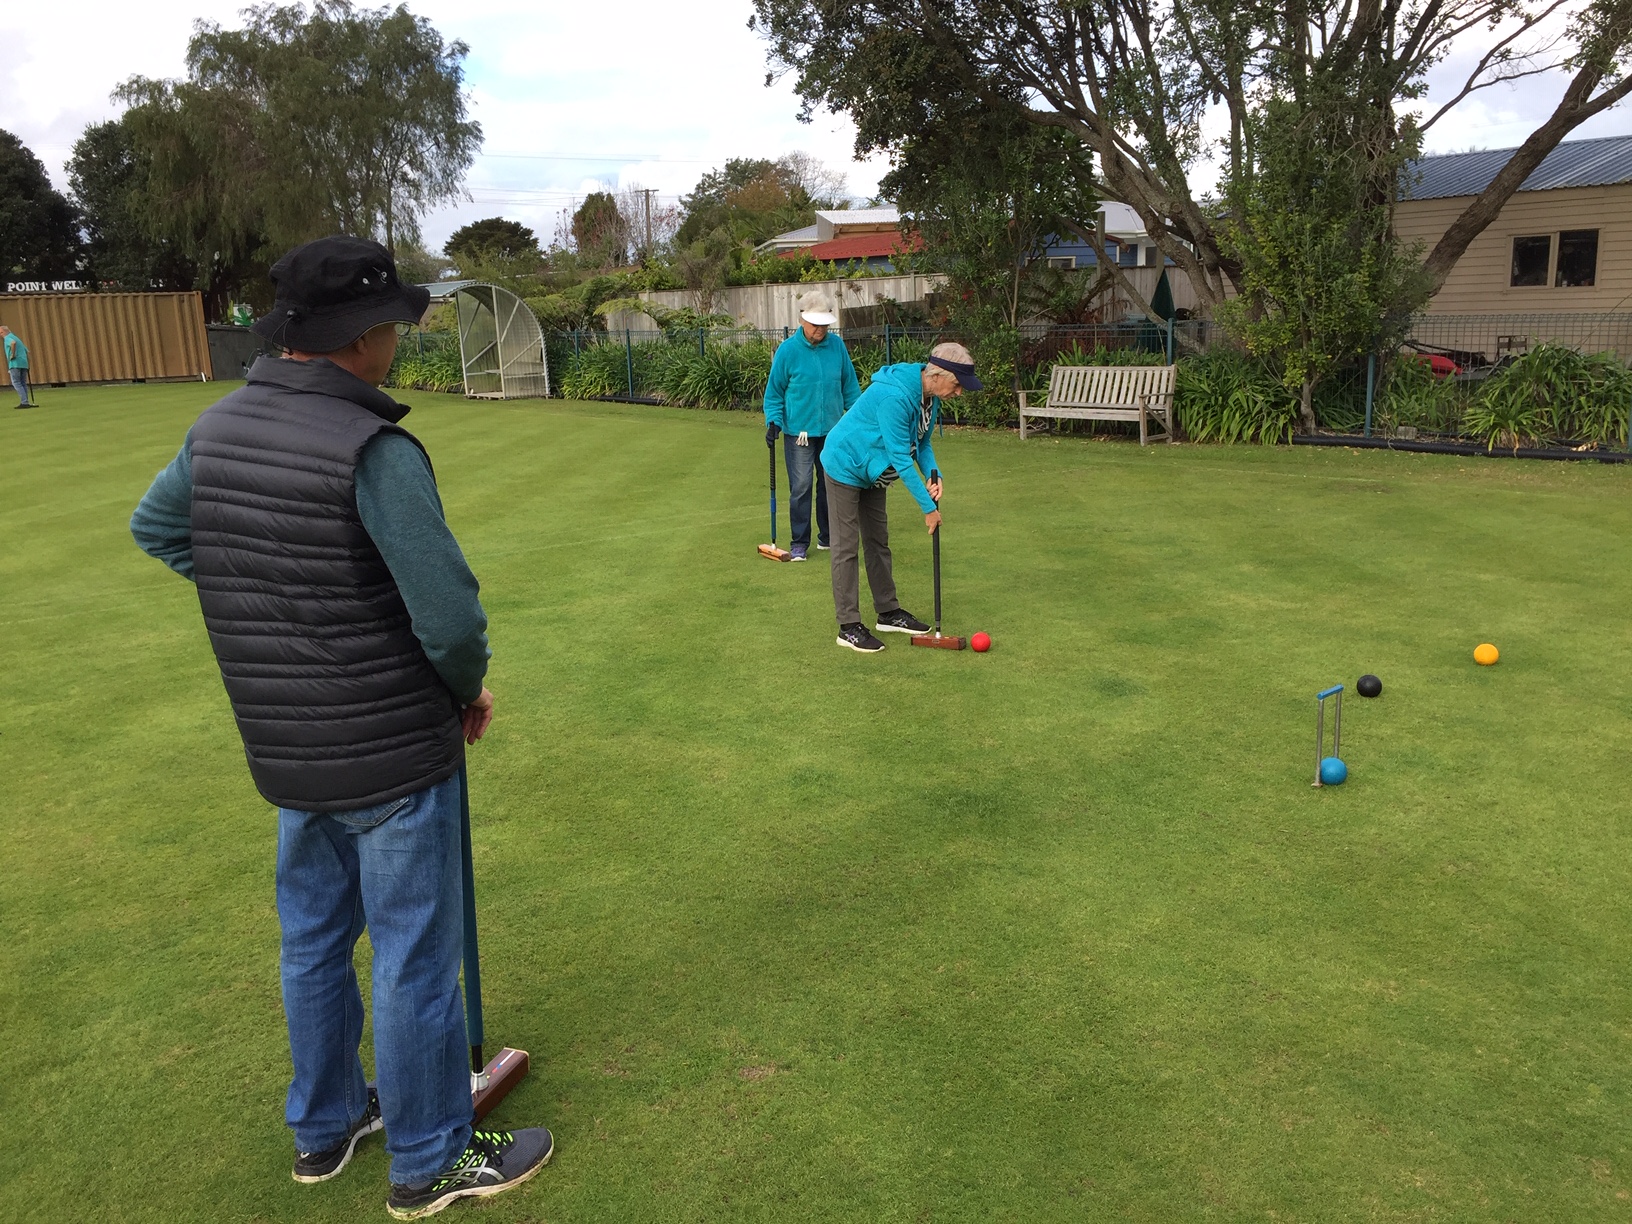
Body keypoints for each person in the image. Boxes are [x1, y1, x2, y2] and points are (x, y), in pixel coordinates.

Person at [128, 236, 552, 1220]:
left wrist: (273, 607)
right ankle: (431, 1157)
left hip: (288, 750)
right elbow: (448, 618)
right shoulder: (375, 448)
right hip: (394, 749)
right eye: (392, 325)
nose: (398, 340)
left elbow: (162, 528)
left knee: (313, 940)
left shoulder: (218, 428)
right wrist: (467, 690)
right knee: (411, 955)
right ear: (361, 336)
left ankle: (323, 1130)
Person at [819, 342, 984, 652]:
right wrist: (927, 507)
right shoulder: (895, 397)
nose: (959, 393)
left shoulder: (929, 398)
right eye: (958, 384)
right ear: (938, 374)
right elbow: (900, 456)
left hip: (874, 469)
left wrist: (935, 476)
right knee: (846, 546)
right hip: (845, 463)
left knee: (878, 540)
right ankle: (848, 625)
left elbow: (921, 445)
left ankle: (888, 611)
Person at [762, 291, 861, 560]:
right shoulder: (787, 351)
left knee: (830, 484)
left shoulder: (837, 347)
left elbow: (850, 388)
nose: (821, 329)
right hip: (799, 434)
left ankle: (827, 537)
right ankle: (799, 542)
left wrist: (858, 421)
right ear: (803, 320)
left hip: (833, 431)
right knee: (802, 486)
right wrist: (773, 422)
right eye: (816, 323)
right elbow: (774, 394)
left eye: (825, 324)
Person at [2, 324, 34, 408]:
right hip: (23, 363)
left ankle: (24, 402)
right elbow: (27, 351)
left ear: (3, 332)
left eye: (1, 333)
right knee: (23, 383)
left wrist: (12, 354)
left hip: (15, 363)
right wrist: (28, 364)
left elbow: (13, 343)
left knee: (16, 382)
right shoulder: (16, 337)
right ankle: (26, 401)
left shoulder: (8, 338)